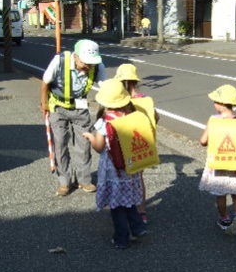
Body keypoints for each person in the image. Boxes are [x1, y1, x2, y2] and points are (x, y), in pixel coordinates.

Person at [82, 80, 149, 249]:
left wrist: (90, 137)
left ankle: (121, 239)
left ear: (104, 102)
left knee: (117, 206)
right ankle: (138, 227)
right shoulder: (130, 118)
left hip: (114, 172)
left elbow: (98, 147)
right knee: (129, 202)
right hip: (130, 168)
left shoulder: (104, 123)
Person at [40, 39, 107, 196]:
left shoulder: (98, 66)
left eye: (91, 63)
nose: (88, 67)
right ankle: (64, 181)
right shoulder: (60, 60)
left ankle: (84, 180)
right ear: (76, 57)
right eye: (85, 63)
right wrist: (44, 104)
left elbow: (106, 89)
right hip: (58, 108)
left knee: (84, 145)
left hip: (80, 108)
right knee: (60, 144)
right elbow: (45, 82)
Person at [199, 85, 236, 236]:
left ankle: (224, 218)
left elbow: (203, 141)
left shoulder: (214, 120)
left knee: (220, 194)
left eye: (215, 101)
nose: (214, 103)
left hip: (218, 162)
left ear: (221, 104)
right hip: (235, 163)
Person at [114, 63, 160, 223]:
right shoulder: (145, 100)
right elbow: (156, 118)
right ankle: (141, 212)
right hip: (140, 146)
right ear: (135, 82)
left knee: (121, 178)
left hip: (121, 147)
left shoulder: (118, 100)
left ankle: (125, 210)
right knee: (138, 179)